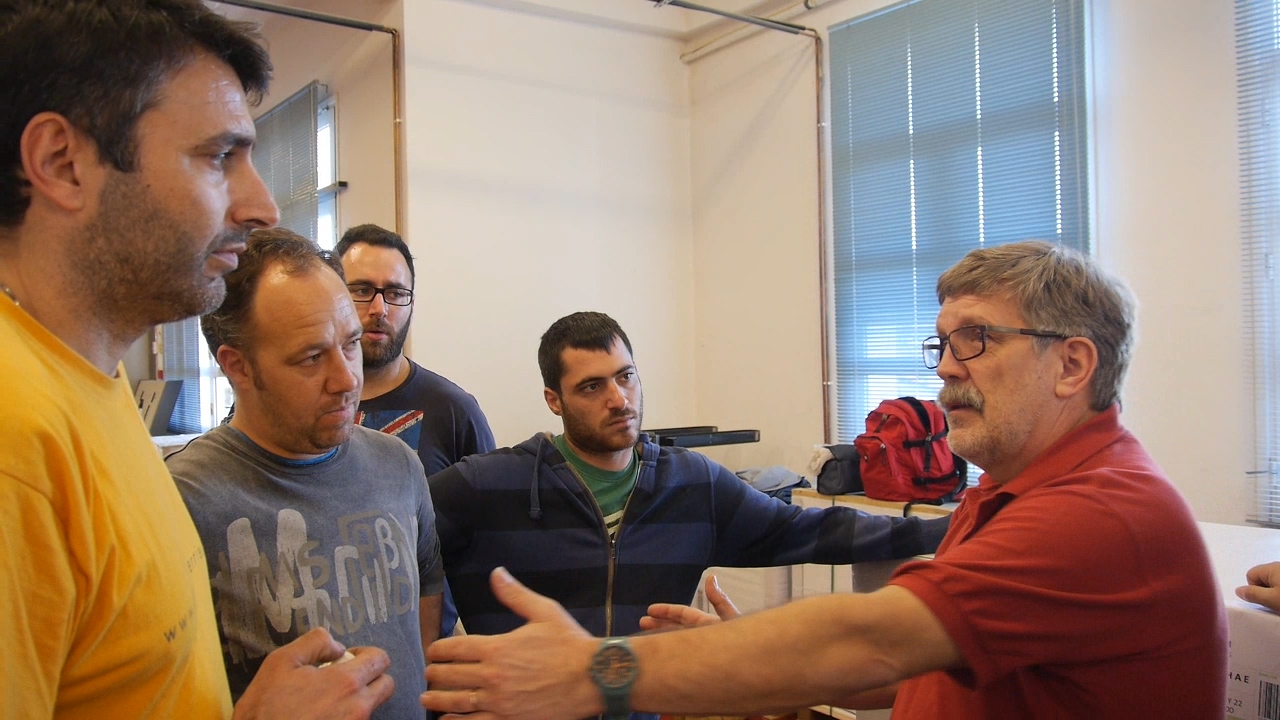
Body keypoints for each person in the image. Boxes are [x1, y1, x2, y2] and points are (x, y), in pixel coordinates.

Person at [420, 243, 1228, 719]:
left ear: (1073, 364)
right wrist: (743, 663)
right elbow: (906, 669)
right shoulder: (1002, 494)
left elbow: (869, 637)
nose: (946, 368)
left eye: (976, 340)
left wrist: (597, 671)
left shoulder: (1099, 515)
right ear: (555, 399)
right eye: (942, 344)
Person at [0, 1, 393, 716]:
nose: (263, 206)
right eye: (218, 158)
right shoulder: (14, 438)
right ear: (61, 163)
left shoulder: (87, 382)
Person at [426, 310, 950, 644]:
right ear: (554, 400)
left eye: (626, 376)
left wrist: (949, 530)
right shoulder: (486, 486)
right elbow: (395, 551)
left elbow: (809, 530)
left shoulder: (691, 483)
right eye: (591, 387)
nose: (619, 399)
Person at [166, 228, 445, 719]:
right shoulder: (181, 500)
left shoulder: (399, 465)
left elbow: (425, 609)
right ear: (238, 366)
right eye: (312, 357)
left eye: (351, 344)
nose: (347, 379)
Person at [336, 223, 496, 637]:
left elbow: (489, 544)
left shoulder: (455, 411)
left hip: (425, 648)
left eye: (395, 293)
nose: (379, 308)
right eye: (361, 290)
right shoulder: (304, 405)